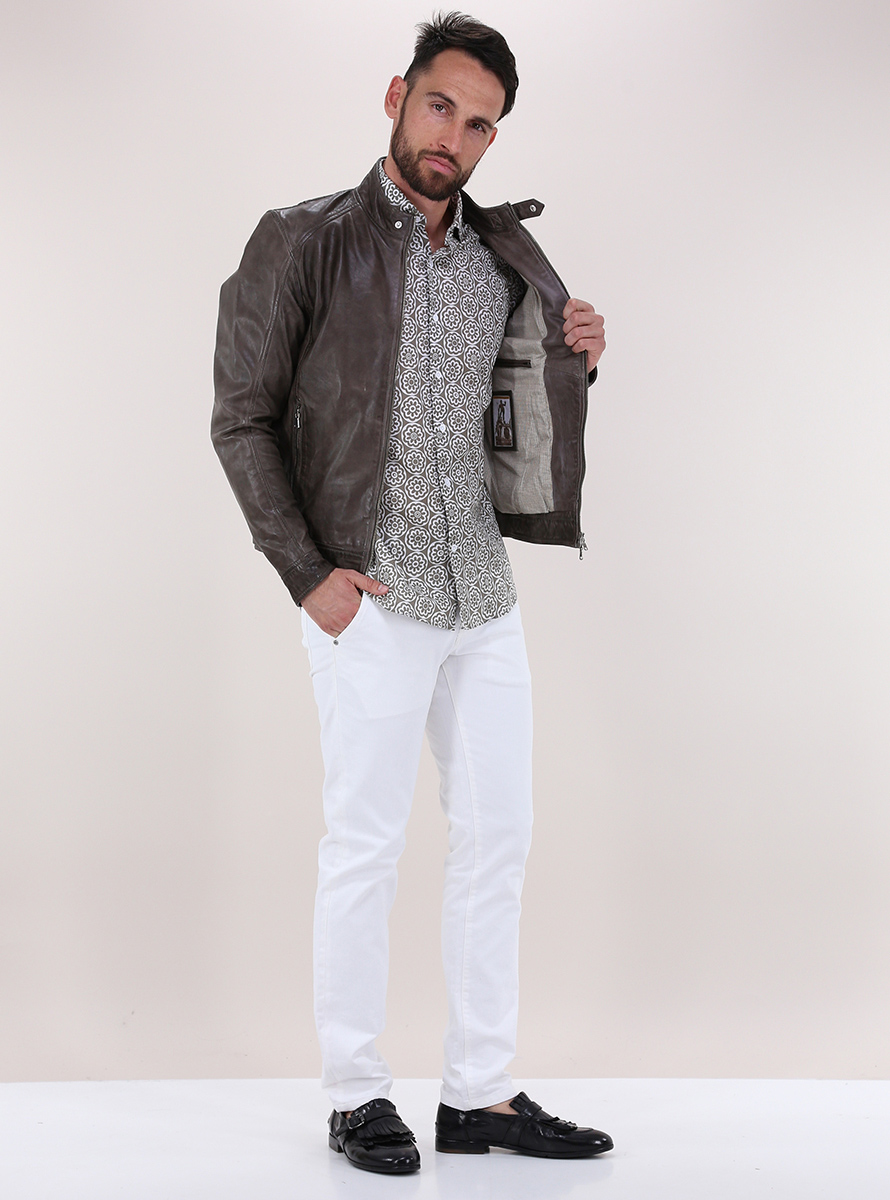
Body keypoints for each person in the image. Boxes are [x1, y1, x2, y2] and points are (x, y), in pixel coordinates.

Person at [212, 11, 611, 1176]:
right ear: (396, 96)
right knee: (366, 844)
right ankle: (355, 1093)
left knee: (499, 840)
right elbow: (240, 417)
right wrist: (308, 577)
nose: (453, 136)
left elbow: (513, 399)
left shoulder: (501, 254)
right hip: (369, 591)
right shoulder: (302, 241)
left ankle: (478, 1093)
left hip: (480, 591)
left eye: (478, 123)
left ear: (492, 138)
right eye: (439, 106)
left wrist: (578, 357)